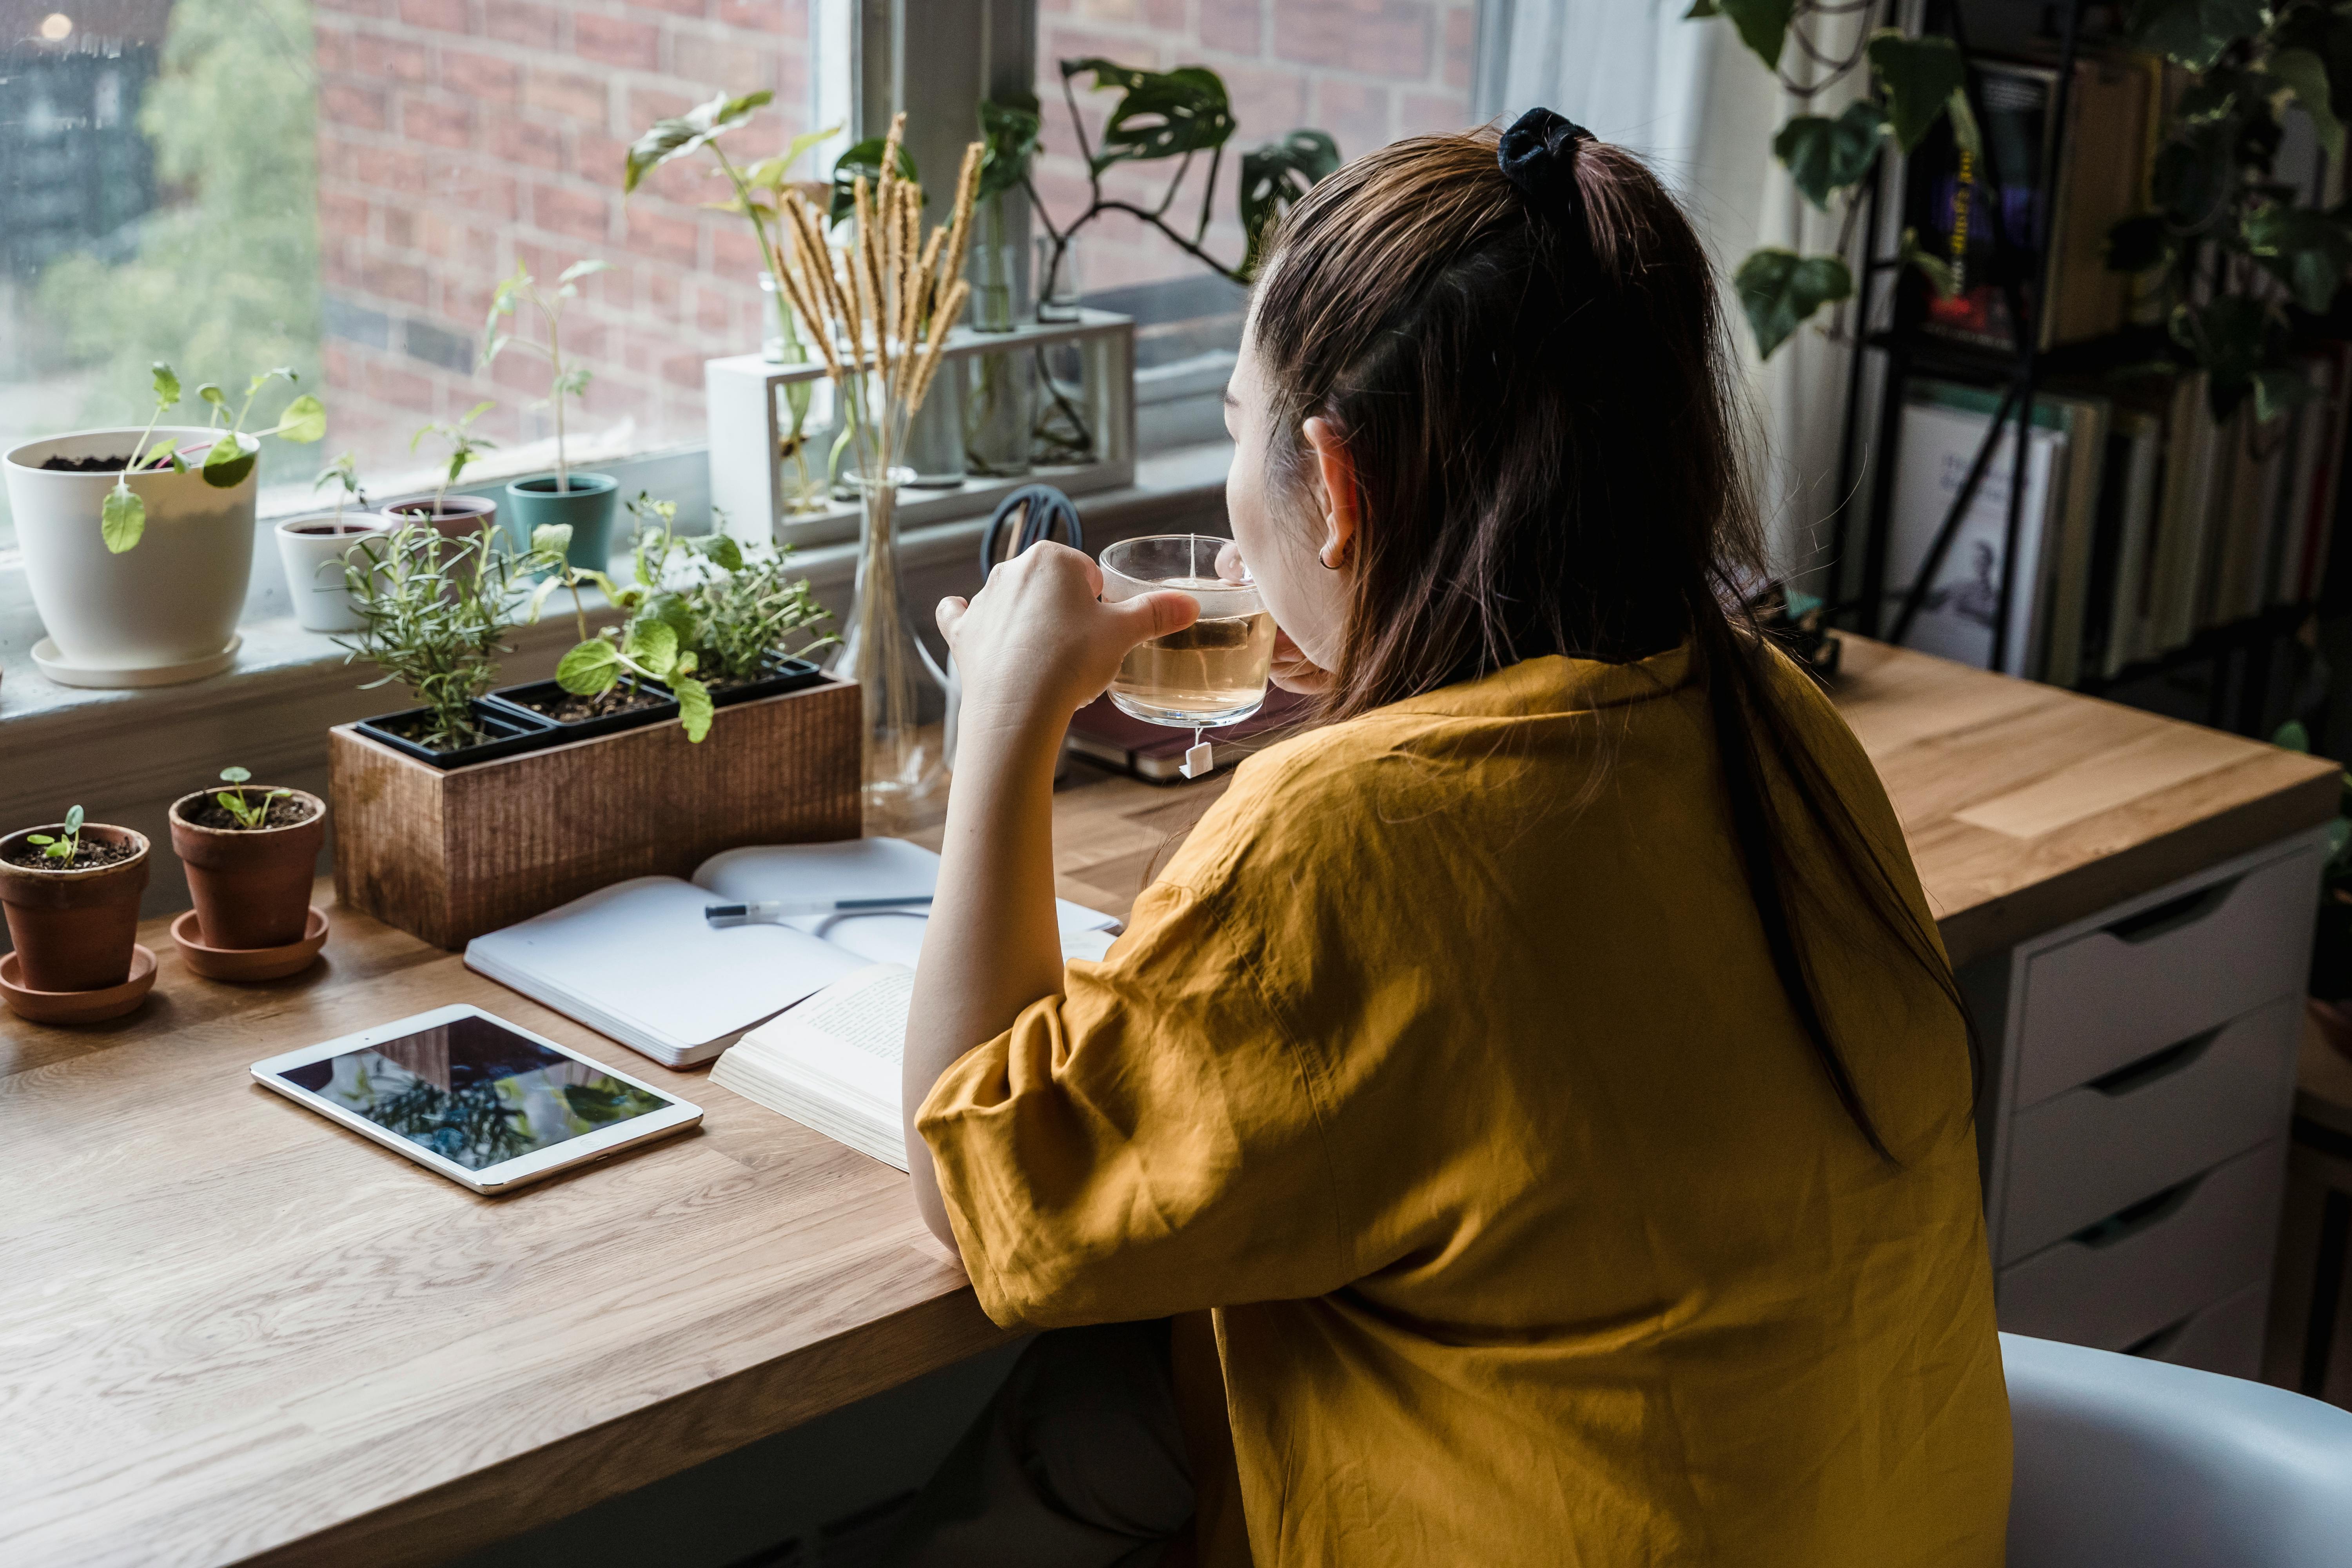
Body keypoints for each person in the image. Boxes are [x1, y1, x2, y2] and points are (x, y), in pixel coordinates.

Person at [882, 109, 2010, 1568]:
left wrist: (1002, 727)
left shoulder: (1348, 838)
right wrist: (1375, 676)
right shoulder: (1773, 713)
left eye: (1236, 431)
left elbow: (979, 1203)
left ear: (1338, 489)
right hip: (1873, 1516)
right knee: (1121, 1401)